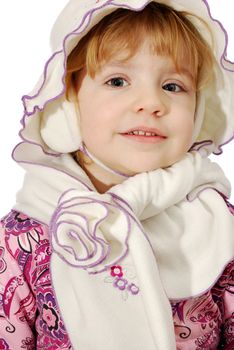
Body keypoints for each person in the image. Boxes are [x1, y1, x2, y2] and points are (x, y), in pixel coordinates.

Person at [0, 0, 234, 349]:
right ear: (69, 98)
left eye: (173, 86)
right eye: (118, 80)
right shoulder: (23, 237)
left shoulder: (217, 223)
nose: (151, 102)